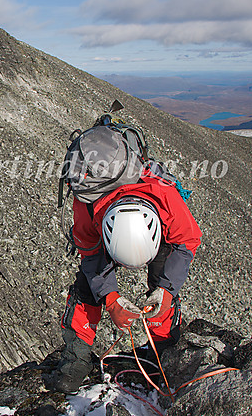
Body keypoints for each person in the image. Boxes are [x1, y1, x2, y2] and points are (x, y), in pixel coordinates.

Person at [49, 124, 202, 393]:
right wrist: (110, 299)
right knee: (86, 287)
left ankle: (162, 351)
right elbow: (91, 255)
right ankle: (75, 362)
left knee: (161, 278)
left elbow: (186, 242)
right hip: (102, 216)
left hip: (151, 223)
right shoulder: (87, 205)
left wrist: (165, 291)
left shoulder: (166, 196)